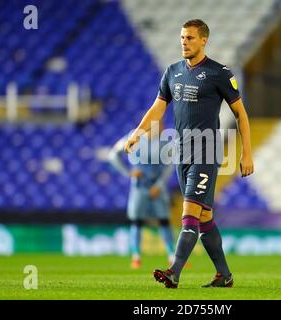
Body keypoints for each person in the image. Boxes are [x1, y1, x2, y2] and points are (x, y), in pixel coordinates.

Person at [122, 19, 254, 288]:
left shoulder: (219, 73)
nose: (184, 42)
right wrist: (138, 131)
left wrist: (246, 154)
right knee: (204, 218)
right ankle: (224, 276)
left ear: (204, 40)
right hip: (182, 153)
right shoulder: (172, 72)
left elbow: (241, 114)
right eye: (182, 37)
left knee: (189, 212)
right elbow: (158, 107)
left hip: (206, 151)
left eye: (190, 38)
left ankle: (174, 272)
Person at [108, 121, 175, 269]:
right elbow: (113, 155)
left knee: (164, 220)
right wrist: (129, 173)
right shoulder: (133, 136)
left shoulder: (164, 142)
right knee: (137, 221)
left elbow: (171, 165)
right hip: (139, 186)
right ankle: (136, 257)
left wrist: (159, 185)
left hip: (157, 187)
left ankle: (172, 256)